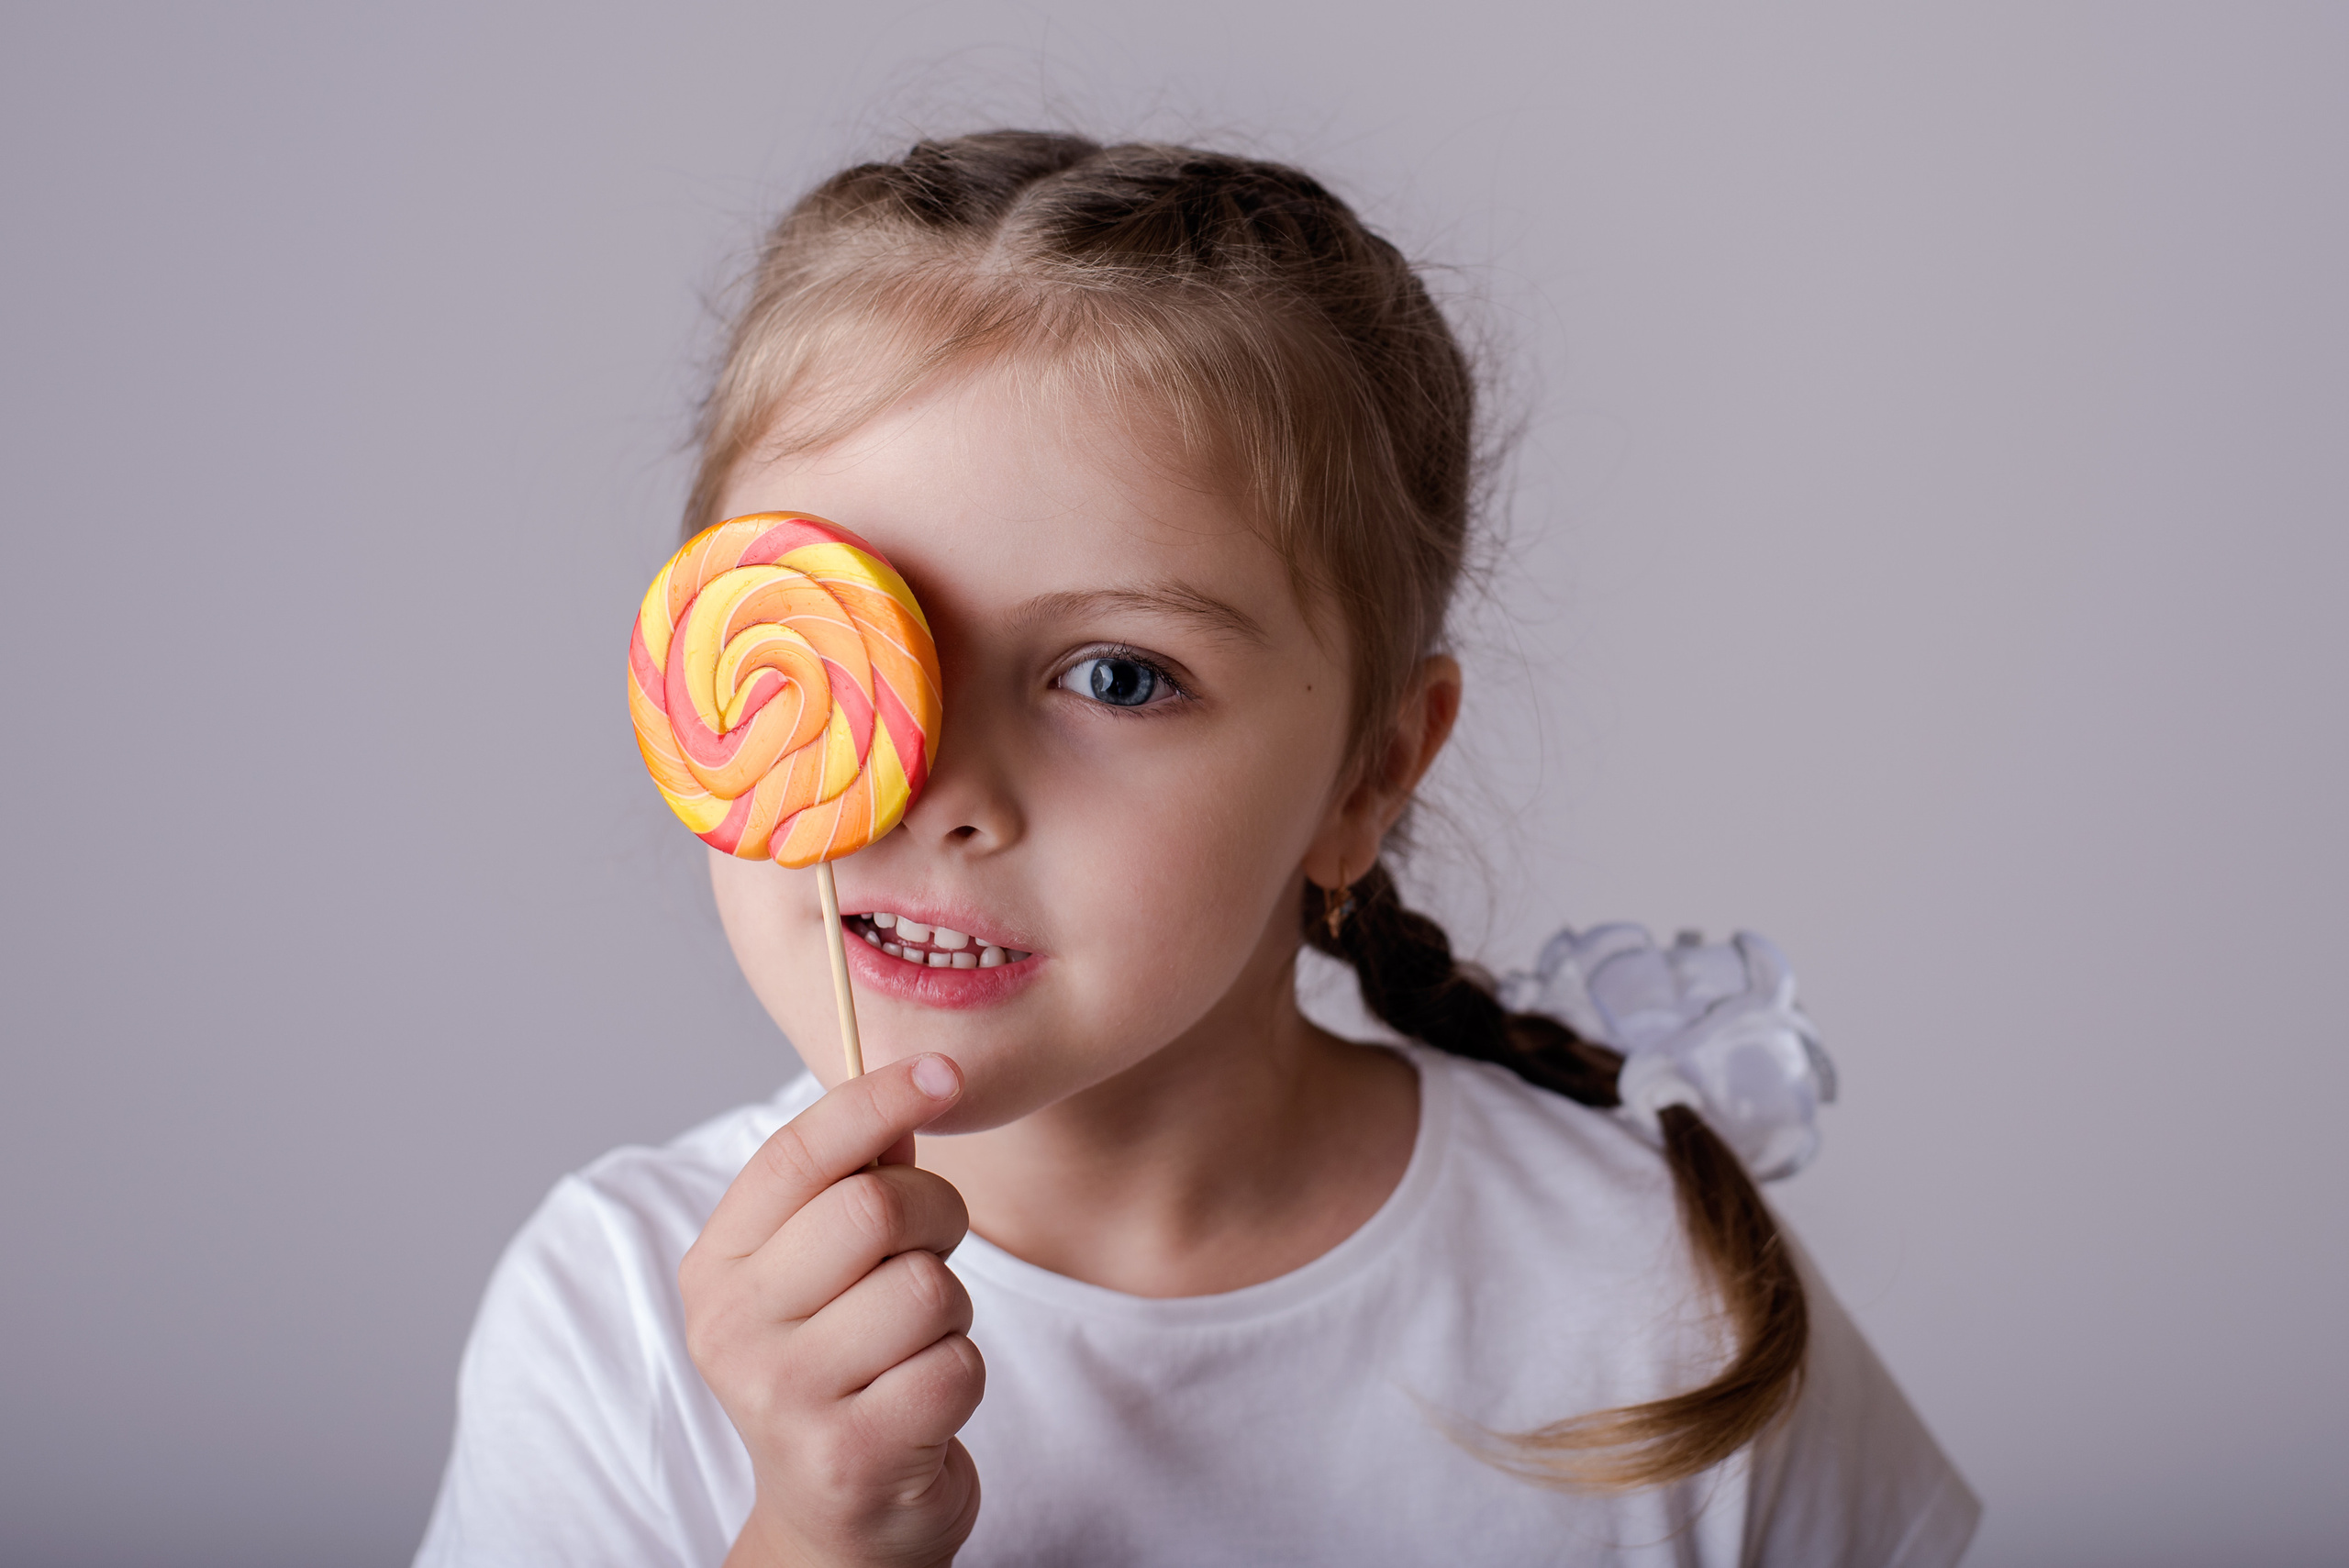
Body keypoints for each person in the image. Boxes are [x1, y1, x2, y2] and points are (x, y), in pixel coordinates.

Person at [416, 131, 1980, 1567]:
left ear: (1369, 773)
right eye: (849, 655)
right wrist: (816, 1540)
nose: (930, 788)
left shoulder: (1655, 1291)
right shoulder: (618, 1311)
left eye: (1115, 676)